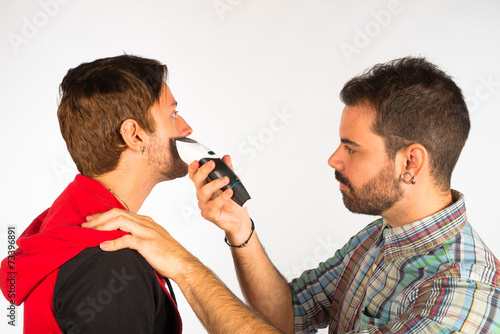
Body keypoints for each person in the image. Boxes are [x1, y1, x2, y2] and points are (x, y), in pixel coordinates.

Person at [82, 57, 500, 333]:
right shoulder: (380, 238)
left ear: (410, 162)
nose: (333, 159)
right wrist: (240, 231)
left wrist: (186, 268)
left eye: (351, 148)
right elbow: (289, 315)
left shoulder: (461, 296)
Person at [0, 55, 194, 333]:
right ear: (134, 135)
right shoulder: (111, 262)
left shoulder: (68, 227)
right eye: (172, 115)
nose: (186, 128)